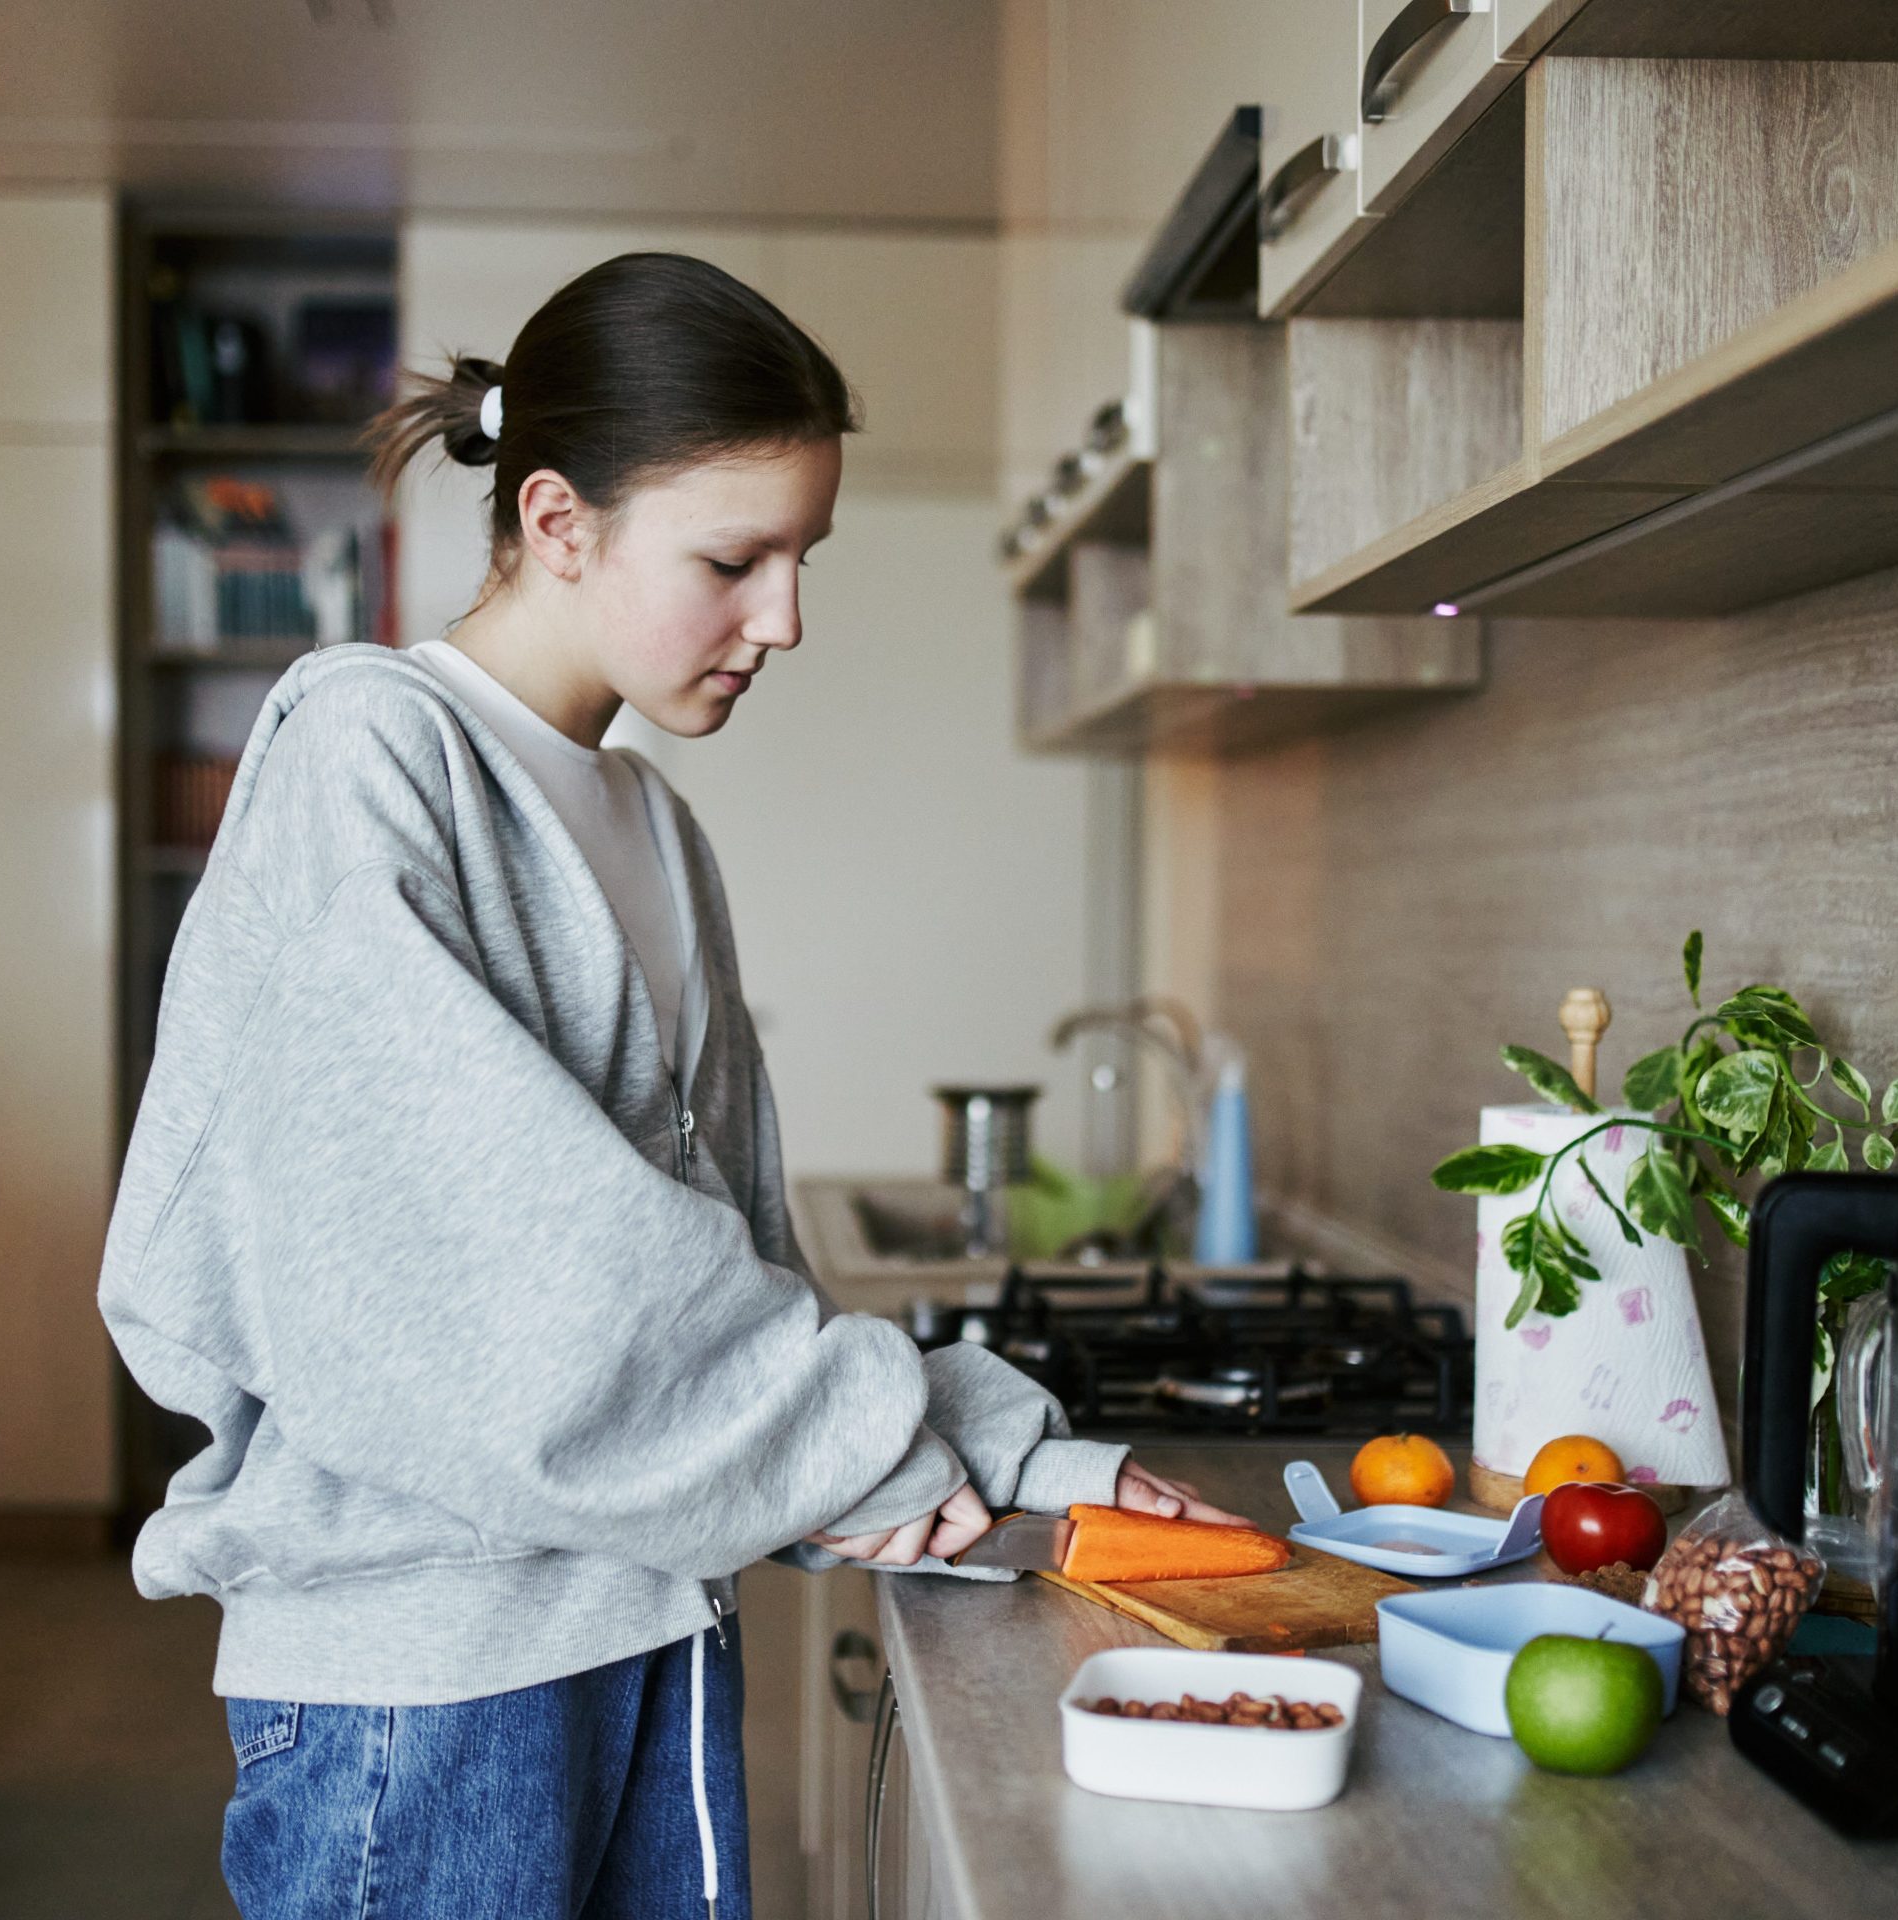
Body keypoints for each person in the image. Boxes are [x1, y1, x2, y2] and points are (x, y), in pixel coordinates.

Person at [98, 252, 1240, 1920]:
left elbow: (720, 1282)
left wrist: (1008, 1454)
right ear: (557, 522)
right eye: (736, 558)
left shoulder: (659, 833)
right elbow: (510, 1274)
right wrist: (879, 1453)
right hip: (433, 1688)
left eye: (803, 558)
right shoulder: (367, 754)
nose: (784, 618)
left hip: (652, 1619)